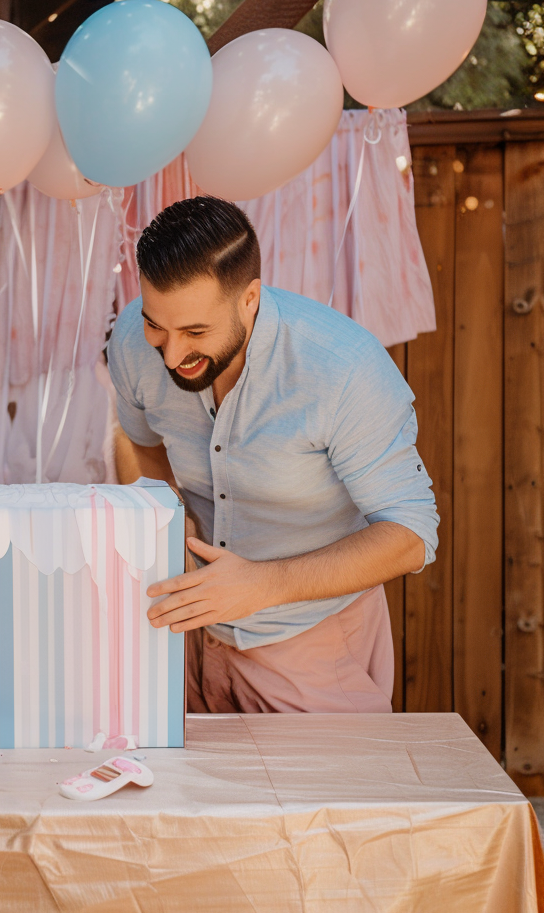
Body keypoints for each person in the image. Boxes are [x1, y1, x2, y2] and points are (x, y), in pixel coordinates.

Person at [107, 196, 439, 714]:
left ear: (250, 299)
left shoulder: (343, 367)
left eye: (195, 333)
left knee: (326, 798)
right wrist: (168, 520)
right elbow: (137, 441)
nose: (171, 355)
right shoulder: (131, 340)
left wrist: (263, 584)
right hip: (182, 636)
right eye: (157, 327)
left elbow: (411, 536)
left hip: (314, 641)